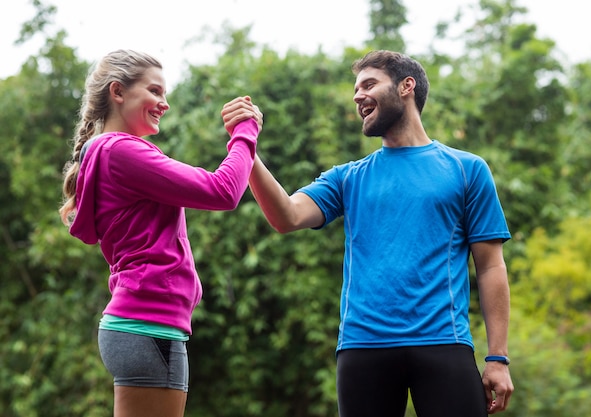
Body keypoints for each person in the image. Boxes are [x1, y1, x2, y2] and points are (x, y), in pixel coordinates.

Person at [224, 50, 513, 417]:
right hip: (363, 348)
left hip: (443, 343)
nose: (358, 96)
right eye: (355, 88)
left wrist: (498, 358)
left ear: (407, 87)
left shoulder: (466, 169)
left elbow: (490, 267)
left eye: (369, 84)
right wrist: (245, 147)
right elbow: (287, 216)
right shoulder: (348, 177)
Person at [59, 49, 262, 417]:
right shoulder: (120, 151)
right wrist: (246, 131)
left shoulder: (107, 153)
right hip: (148, 327)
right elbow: (223, 191)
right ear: (118, 92)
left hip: (140, 326)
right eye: (154, 91)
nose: (163, 103)